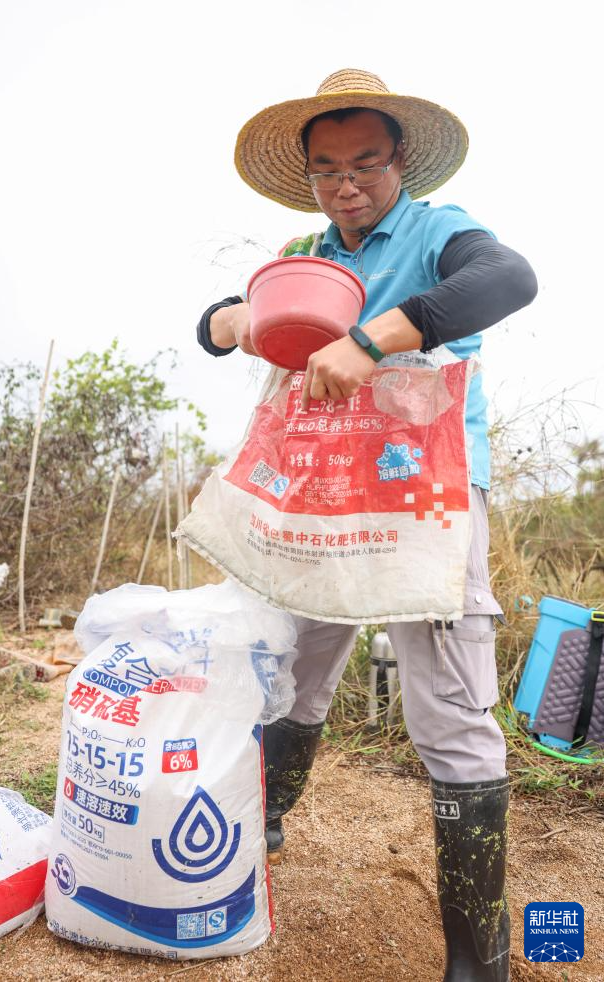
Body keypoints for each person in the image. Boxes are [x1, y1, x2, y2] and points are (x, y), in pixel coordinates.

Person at [196, 68, 537, 981]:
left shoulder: (436, 232)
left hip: (424, 499)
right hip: (314, 496)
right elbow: (218, 324)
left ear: (399, 164)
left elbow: (508, 280)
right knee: (291, 673)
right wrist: (229, 319)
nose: (345, 183)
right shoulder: (306, 251)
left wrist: (371, 337)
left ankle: (479, 955)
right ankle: (254, 839)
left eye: (365, 163)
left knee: (448, 707)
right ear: (307, 176)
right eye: (326, 167)